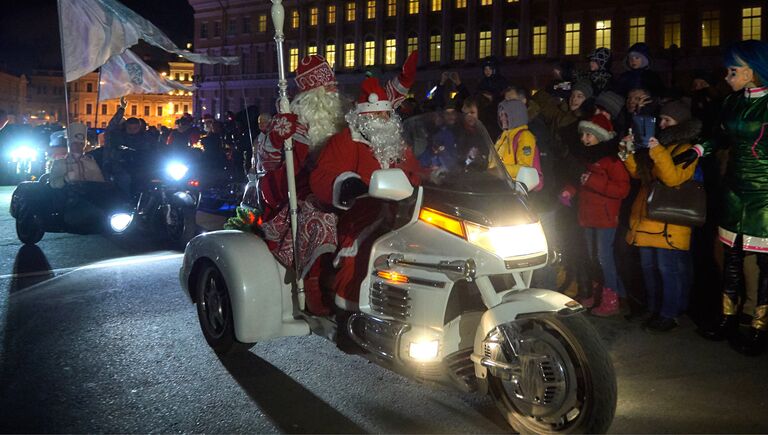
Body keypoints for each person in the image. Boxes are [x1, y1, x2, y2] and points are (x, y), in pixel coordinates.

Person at [676, 40, 768, 355]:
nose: (727, 76)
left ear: (753, 70)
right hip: (734, 187)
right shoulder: (731, 103)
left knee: (765, 263)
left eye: (733, 70)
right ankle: (728, 318)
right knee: (731, 256)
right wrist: (697, 150)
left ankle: (759, 327)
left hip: (765, 192)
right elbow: (721, 136)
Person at [310, 77, 423, 313]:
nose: (382, 120)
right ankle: (350, 311)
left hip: (403, 212)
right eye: (377, 115)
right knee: (364, 252)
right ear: (363, 117)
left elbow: (414, 171)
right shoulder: (345, 142)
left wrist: (438, 176)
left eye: (385, 115)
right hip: (361, 214)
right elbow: (322, 176)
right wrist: (346, 185)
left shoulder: (397, 144)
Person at [619, 100, 701, 332]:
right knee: (649, 268)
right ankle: (654, 309)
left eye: (668, 120)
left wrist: (657, 151)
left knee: (668, 270)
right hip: (647, 218)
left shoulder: (687, 150)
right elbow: (640, 174)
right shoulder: (658, 147)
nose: (662, 124)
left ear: (680, 123)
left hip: (669, 222)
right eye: (661, 119)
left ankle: (669, 314)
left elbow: (672, 178)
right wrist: (627, 152)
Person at [561, 113, 630, 315]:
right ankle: (597, 293)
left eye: (589, 135)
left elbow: (622, 189)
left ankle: (612, 299)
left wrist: (591, 180)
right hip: (587, 214)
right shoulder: (586, 157)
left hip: (605, 217)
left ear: (600, 136)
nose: (584, 139)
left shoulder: (612, 161)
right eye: (583, 135)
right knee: (592, 256)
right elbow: (579, 180)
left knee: (603, 257)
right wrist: (569, 190)